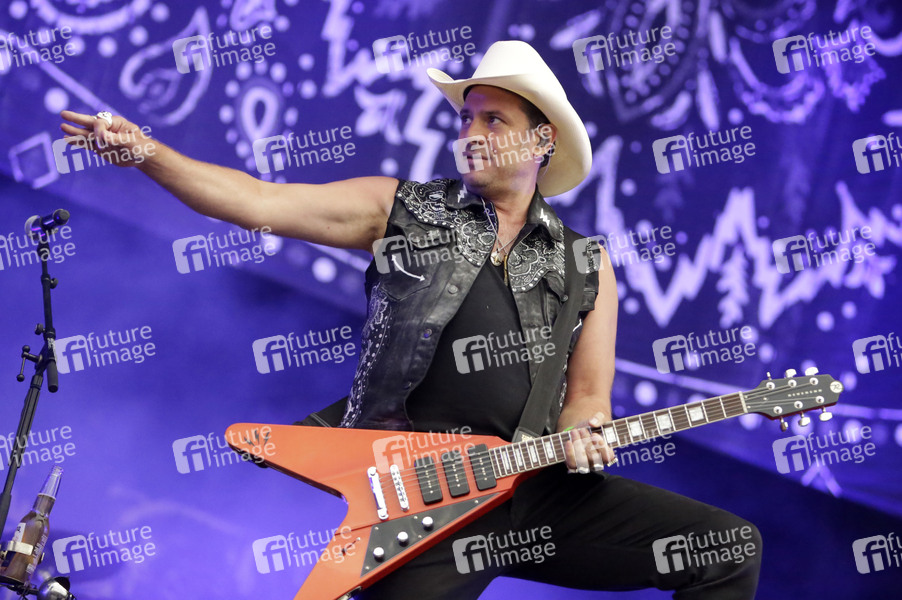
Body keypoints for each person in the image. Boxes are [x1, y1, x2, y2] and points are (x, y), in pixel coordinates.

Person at [60, 40, 761, 599]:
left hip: (536, 492)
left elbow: (588, 398)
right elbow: (256, 201)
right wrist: (149, 154)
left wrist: (586, 432)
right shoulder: (402, 211)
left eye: (494, 120)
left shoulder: (587, 262)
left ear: (542, 140)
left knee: (728, 549)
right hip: (424, 498)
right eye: (466, 118)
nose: (471, 133)